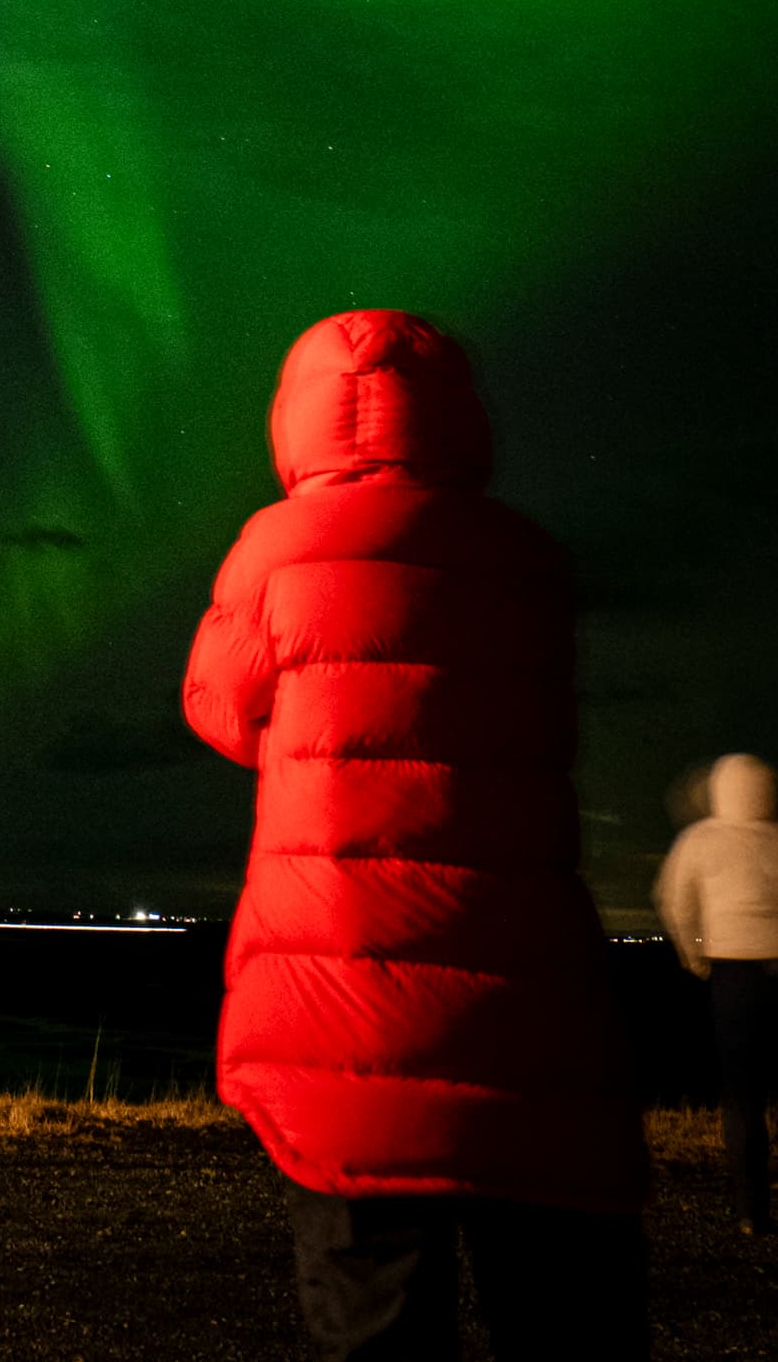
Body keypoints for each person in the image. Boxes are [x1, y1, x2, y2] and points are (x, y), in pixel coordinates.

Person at [182, 307, 648, 1360]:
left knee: (377, 1323)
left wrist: (315, 744)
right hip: (526, 998)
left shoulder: (274, 546)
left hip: (340, 1003)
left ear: (296, 417)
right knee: (565, 1315)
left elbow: (217, 706)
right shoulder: (527, 560)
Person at [655, 751, 778, 1237]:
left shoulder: (700, 840)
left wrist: (696, 957)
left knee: (741, 1096)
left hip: (734, 978)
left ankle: (751, 1210)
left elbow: (674, 900)